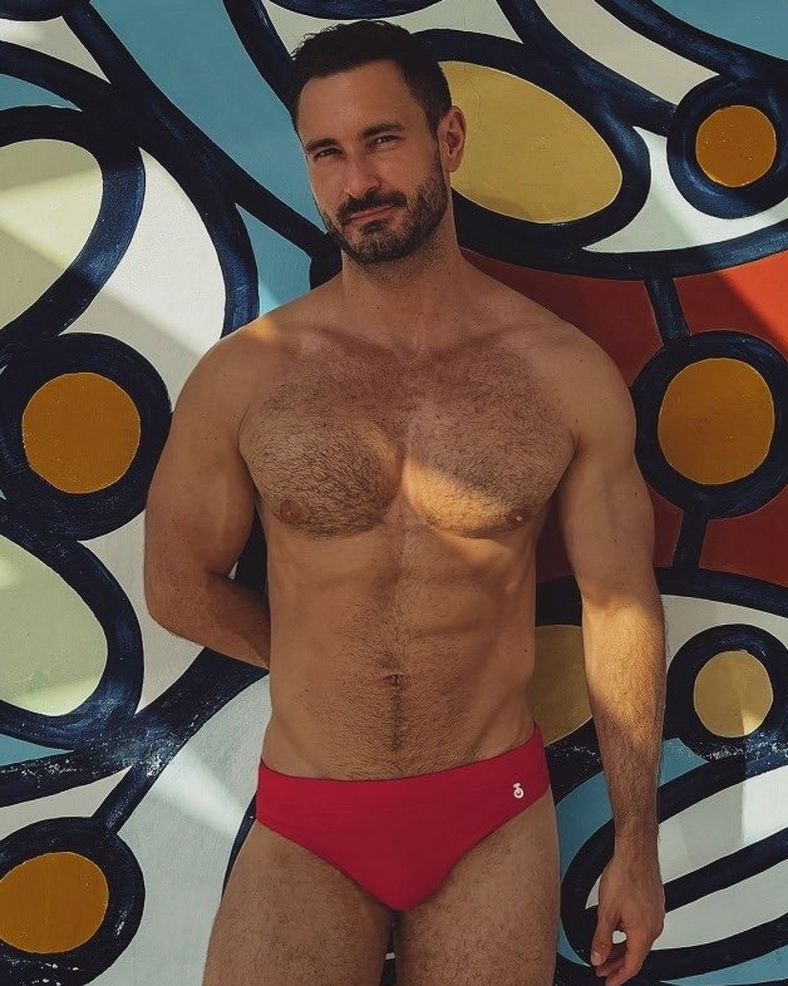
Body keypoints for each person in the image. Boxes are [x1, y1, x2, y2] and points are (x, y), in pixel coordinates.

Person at [144, 19, 666, 986]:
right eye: (327, 153)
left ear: (448, 140)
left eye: (382, 139)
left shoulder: (562, 375)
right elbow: (178, 585)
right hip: (309, 815)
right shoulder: (247, 378)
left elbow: (620, 608)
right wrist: (321, 658)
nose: (359, 181)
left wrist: (637, 841)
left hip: (493, 814)